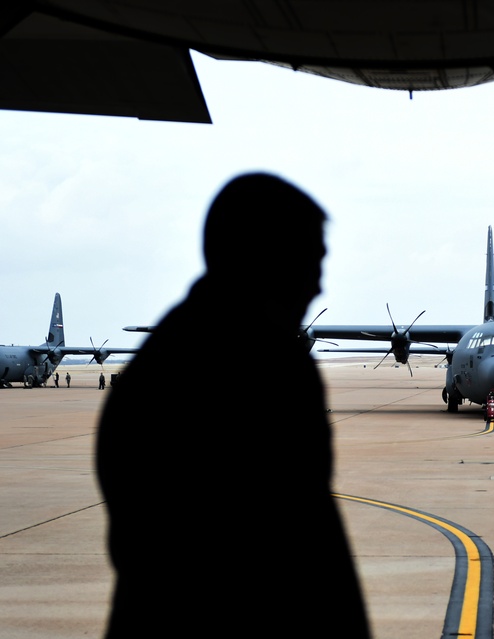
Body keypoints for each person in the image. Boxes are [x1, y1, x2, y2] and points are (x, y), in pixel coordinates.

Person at [97, 173, 370, 638]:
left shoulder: (166, 356)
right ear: (266, 258)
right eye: (310, 262)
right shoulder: (263, 368)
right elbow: (305, 541)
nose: (319, 286)